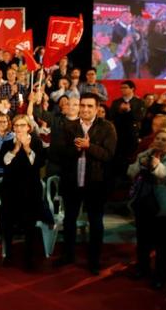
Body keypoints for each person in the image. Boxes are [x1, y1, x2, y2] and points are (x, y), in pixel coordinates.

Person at [54, 93, 117, 275]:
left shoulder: (107, 127)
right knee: (69, 220)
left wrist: (90, 147)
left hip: (96, 183)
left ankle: (94, 260)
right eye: (82, 105)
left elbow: (109, 155)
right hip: (72, 182)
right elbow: (58, 154)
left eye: (90, 106)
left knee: (96, 222)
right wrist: (74, 149)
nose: (85, 109)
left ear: (97, 108)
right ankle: (68, 254)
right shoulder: (69, 126)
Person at [127, 128, 166, 289]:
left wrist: (157, 166)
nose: (159, 141)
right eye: (158, 138)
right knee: (143, 241)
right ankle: (142, 268)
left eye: (164, 140)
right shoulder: (144, 154)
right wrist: (140, 164)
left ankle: (160, 276)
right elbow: (130, 173)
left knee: (164, 246)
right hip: (144, 205)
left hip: (165, 208)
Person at [0, 114, 45, 268]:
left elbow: (39, 163)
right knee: (8, 224)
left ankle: (29, 258)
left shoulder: (36, 142)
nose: (19, 129)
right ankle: (8, 255)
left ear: (28, 127)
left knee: (30, 226)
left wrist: (27, 148)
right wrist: (16, 149)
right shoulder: (7, 143)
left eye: (22, 125)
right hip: (11, 190)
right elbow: (1, 163)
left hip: (31, 191)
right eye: (16, 125)